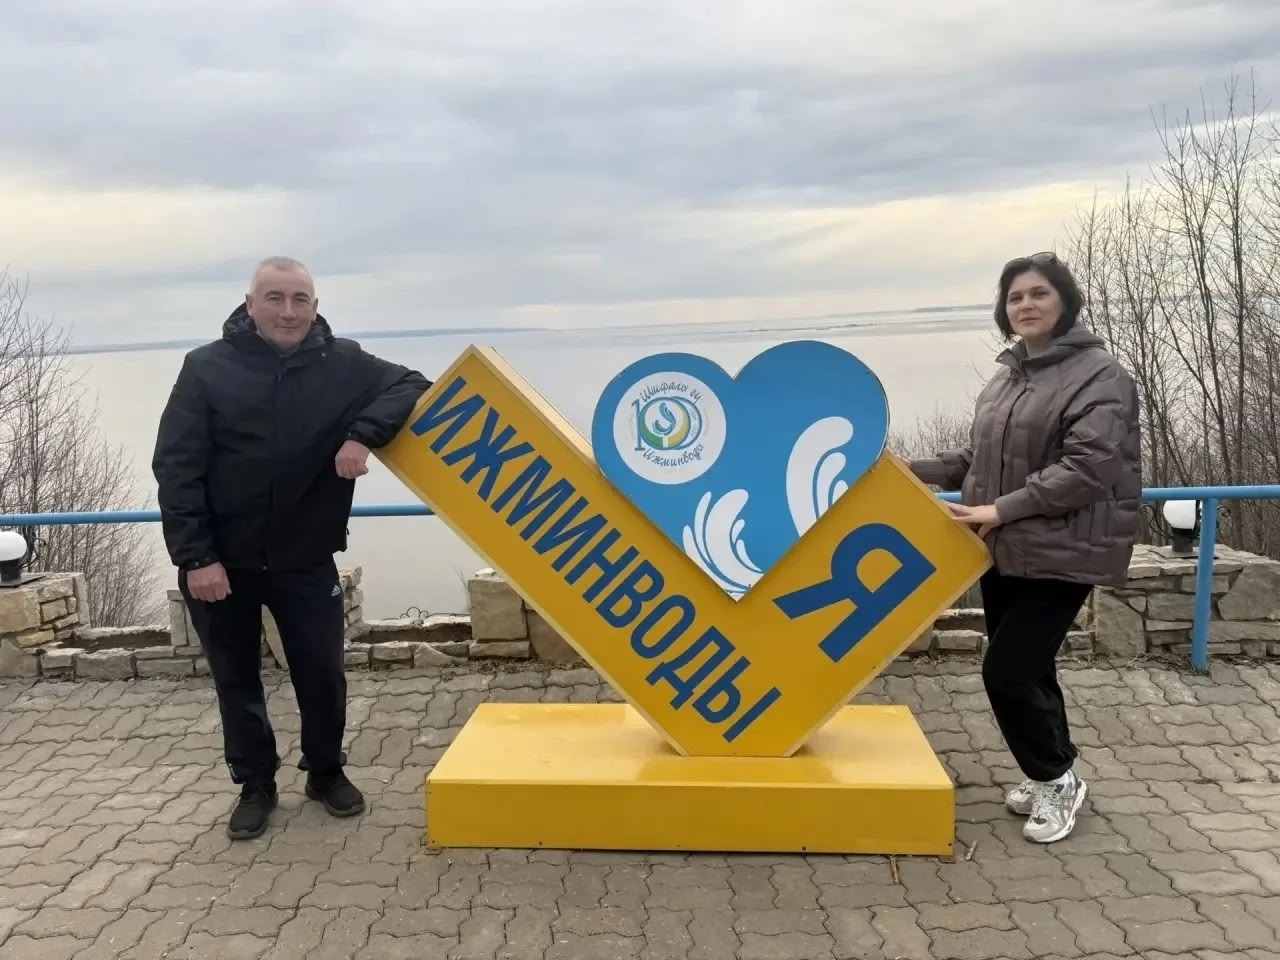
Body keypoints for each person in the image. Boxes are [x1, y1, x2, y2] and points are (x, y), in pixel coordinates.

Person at [152, 256, 432, 840]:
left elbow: (413, 385)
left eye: (299, 299)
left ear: (315, 305)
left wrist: (362, 435)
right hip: (221, 563)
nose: (288, 311)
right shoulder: (206, 367)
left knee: (323, 675)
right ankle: (256, 785)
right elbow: (177, 468)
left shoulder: (345, 363)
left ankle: (325, 773)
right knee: (237, 683)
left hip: (305, 557)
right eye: (274, 298)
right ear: (250, 305)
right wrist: (196, 558)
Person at [909, 251, 1141, 844]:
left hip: (1064, 549)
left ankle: (1055, 778)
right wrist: (906, 470)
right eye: (1015, 297)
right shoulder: (1009, 376)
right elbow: (979, 458)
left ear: (1065, 301)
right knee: (1031, 668)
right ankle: (1055, 773)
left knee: (1006, 673)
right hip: (1007, 548)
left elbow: (1088, 468)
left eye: (1038, 293)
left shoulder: (1101, 375)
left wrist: (1000, 509)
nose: (1026, 305)